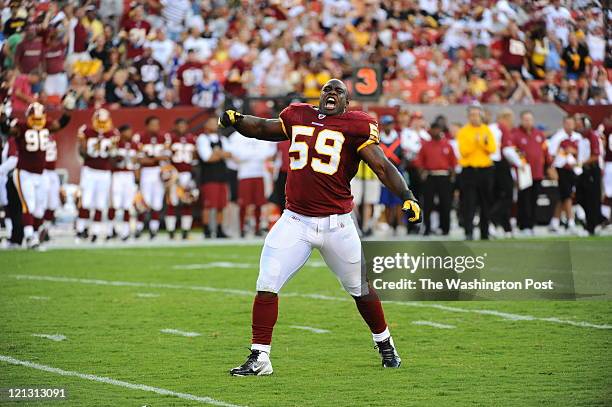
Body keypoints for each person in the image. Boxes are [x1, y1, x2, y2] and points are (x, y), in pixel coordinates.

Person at [218, 78, 421, 376]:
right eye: (328, 89)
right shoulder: (298, 114)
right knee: (266, 283)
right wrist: (238, 121)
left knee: (360, 288)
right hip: (295, 221)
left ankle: (385, 342)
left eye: (339, 91)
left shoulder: (357, 125)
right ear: (320, 96)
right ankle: (260, 357)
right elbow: (262, 128)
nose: (332, 93)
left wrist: (407, 196)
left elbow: (382, 166)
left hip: (337, 224)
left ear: (347, 102)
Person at [2, 102, 70, 248]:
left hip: (41, 173)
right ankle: (29, 237)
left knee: (40, 208)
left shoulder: (47, 125)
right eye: (35, 117)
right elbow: (8, 130)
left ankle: (35, 234)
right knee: (29, 205)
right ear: (28, 116)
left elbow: (61, 124)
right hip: (24, 172)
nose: (38, 121)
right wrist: (2, 119)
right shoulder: (21, 127)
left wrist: (68, 111)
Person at [76, 108, 117, 242]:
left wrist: (112, 151)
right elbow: (82, 153)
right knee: (86, 201)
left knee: (100, 203)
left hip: (104, 172)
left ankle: (95, 230)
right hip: (89, 170)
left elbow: (113, 159)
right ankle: (80, 229)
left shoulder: (113, 133)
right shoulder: (86, 131)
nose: (101, 125)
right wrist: (90, 148)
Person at [456, 105, 496, 240]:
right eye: (472, 115)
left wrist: (482, 143)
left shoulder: (487, 130)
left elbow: (492, 148)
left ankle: (485, 232)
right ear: (468, 117)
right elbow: (464, 151)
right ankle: (468, 232)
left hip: (485, 170)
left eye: (477, 115)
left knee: (486, 202)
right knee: (469, 203)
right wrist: (476, 141)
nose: (475, 117)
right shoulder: (463, 131)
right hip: (469, 171)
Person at [511, 111, 553, 235]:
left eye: (530, 119)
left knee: (534, 198)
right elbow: (514, 151)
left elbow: (545, 151)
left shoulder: (539, 134)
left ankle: (532, 224)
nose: (528, 122)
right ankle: (524, 225)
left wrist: (548, 165)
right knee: (524, 199)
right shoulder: (516, 135)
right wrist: (522, 162)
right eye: (525, 119)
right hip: (524, 172)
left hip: (537, 172)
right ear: (521, 120)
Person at [228, 130, 276, 237]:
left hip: (259, 172)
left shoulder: (261, 131)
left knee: (259, 203)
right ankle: (242, 228)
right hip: (244, 173)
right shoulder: (237, 135)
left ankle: (257, 227)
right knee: (244, 204)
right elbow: (232, 153)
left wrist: (248, 156)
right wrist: (251, 156)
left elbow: (270, 152)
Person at [414, 122, 456, 236]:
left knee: (445, 203)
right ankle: (427, 228)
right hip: (430, 176)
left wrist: (452, 178)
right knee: (427, 204)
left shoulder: (447, 145)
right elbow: (419, 162)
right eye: (434, 129)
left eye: (438, 129)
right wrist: (422, 175)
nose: (436, 131)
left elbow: (453, 163)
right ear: (431, 131)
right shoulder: (426, 145)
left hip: (444, 176)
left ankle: (445, 228)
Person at [197, 118, 231, 238]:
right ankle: (206, 230)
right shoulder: (202, 138)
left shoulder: (222, 139)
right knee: (208, 205)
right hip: (209, 176)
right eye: (210, 122)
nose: (214, 125)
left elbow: (229, 154)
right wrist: (221, 154)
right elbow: (207, 158)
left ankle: (219, 229)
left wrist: (217, 153)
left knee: (221, 205)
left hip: (222, 175)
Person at [137, 115, 169, 239]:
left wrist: (152, 159)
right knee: (144, 201)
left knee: (157, 202)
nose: (156, 127)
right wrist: (156, 158)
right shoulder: (140, 137)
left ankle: (153, 230)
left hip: (158, 172)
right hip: (146, 172)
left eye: (157, 124)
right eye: (153, 124)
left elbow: (166, 157)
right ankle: (139, 229)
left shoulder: (163, 137)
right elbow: (140, 160)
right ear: (147, 125)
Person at [165, 118, 197, 239]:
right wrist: (170, 173)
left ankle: (185, 230)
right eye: (180, 125)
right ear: (175, 126)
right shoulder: (171, 138)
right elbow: (166, 158)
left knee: (187, 202)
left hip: (187, 174)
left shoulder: (192, 138)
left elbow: (194, 158)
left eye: (184, 125)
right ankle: (171, 230)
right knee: (172, 202)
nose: (182, 128)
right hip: (175, 174)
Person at [548, 116, 581, 233]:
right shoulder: (558, 137)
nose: (569, 126)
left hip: (575, 169)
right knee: (567, 195)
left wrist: (574, 152)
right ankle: (571, 221)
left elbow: (582, 153)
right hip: (561, 168)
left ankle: (554, 221)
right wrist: (551, 169)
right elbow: (551, 154)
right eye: (567, 123)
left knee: (564, 196)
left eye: (571, 123)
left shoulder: (578, 137)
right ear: (563, 124)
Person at [488, 108, 518, 236]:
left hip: (489, 165)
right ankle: (492, 218)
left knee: (496, 196)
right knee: (508, 195)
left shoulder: (489, 128)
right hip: (500, 164)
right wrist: (519, 163)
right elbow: (507, 150)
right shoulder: (502, 128)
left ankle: (506, 227)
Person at [110, 124, 139, 241]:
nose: (130, 134)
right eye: (127, 131)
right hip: (118, 174)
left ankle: (126, 231)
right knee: (116, 204)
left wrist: (137, 178)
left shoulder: (134, 145)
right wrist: (116, 157)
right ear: (121, 133)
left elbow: (136, 163)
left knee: (127, 204)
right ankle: (112, 229)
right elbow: (111, 161)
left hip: (129, 175)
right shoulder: (115, 144)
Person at [377, 115, 404, 235]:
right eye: (385, 124)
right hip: (384, 173)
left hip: (398, 172)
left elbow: (403, 156)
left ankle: (399, 224)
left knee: (398, 200)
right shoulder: (378, 139)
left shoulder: (399, 138)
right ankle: (388, 223)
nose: (388, 126)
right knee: (386, 201)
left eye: (390, 124)